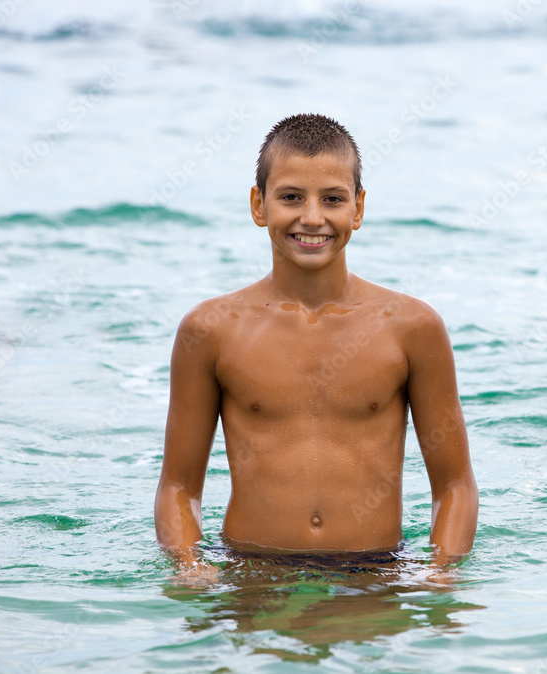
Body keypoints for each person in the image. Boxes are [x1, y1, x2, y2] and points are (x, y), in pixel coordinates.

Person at [154, 113, 478, 581]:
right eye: (290, 197)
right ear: (258, 205)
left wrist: (443, 570)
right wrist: (189, 564)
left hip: (374, 572)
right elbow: (178, 487)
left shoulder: (411, 327)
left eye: (332, 199)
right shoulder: (210, 330)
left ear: (359, 208)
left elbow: (454, 485)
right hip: (251, 570)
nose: (312, 217)